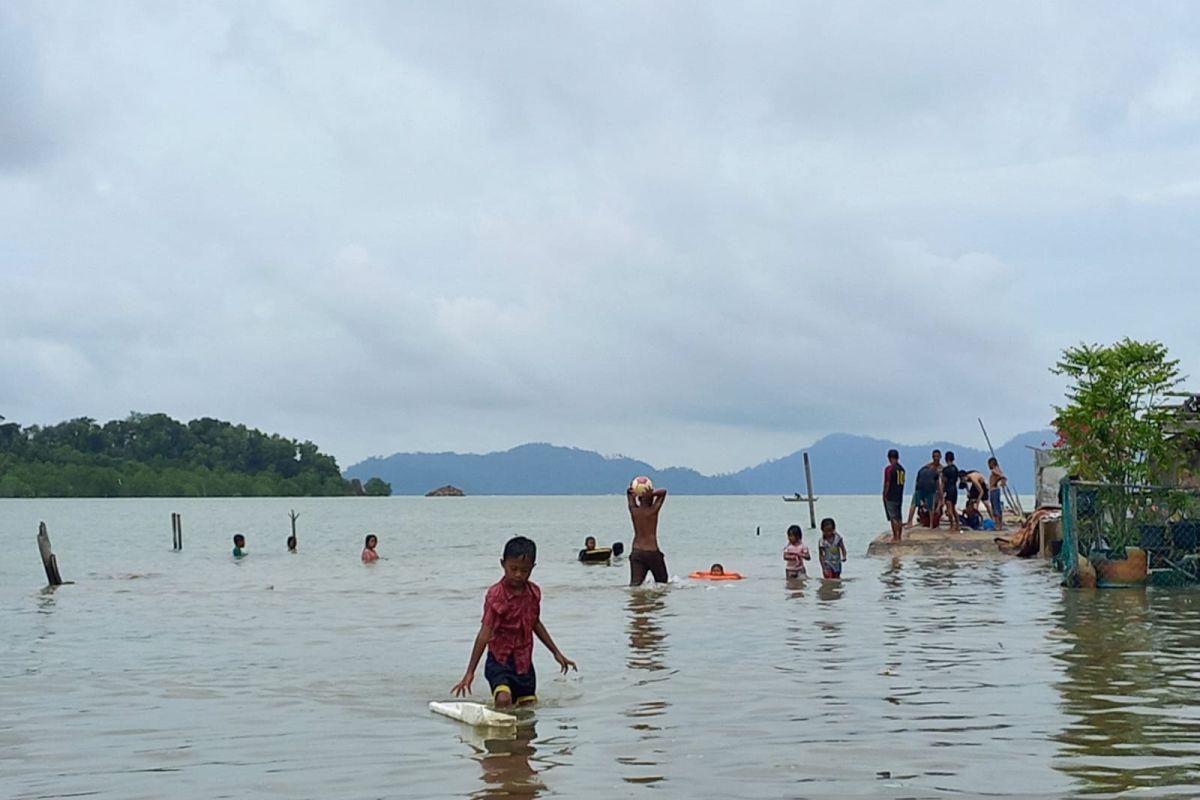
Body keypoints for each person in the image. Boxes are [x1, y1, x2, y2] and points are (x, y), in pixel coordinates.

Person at [451, 536, 576, 707]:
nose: (518, 574)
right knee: (504, 699)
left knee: (528, 708)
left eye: (524, 570)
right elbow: (484, 634)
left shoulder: (533, 593)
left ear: (532, 568)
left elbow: (536, 624)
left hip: (524, 662)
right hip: (499, 660)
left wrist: (556, 652)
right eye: (513, 568)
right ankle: (500, 731)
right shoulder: (495, 596)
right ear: (503, 564)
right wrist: (470, 672)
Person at [627, 483, 669, 585]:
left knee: (635, 585)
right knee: (662, 583)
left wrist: (634, 492)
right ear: (651, 499)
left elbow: (628, 493)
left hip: (636, 551)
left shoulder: (634, 510)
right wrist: (651, 493)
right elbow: (663, 493)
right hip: (652, 552)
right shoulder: (653, 511)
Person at [907, 449, 942, 529]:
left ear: (940, 457)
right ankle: (929, 524)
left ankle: (930, 524)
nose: (936, 458)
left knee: (919, 504)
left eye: (937, 456)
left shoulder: (939, 468)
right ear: (933, 457)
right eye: (934, 456)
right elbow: (938, 485)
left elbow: (939, 484)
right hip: (926, 487)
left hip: (926, 486)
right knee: (926, 505)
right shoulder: (929, 467)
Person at [882, 449, 906, 542]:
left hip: (891, 495)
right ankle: (899, 536)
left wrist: (885, 494)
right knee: (899, 516)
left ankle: (895, 537)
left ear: (889, 458)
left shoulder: (889, 469)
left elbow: (887, 482)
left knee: (893, 517)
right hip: (899, 495)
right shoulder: (902, 469)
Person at [942, 451, 961, 532]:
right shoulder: (956, 469)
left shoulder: (945, 470)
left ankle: (952, 525)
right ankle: (957, 524)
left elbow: (944, 481)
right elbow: (956, 479)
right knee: (953, 508)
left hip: (948, 489)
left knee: (949, 509)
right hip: (954, 489)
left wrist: (942, 492)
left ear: (946, 459)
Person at [988, 457, 1007, 531]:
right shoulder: (997, 469)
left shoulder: (994, 470)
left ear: (992, 464)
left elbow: (1002, 476)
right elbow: (1002, 476)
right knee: (997, 508)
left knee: (995, 508)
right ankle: (999, 525)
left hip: (994, 490)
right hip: (995, 490)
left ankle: (998, 525)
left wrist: (1003, 480)